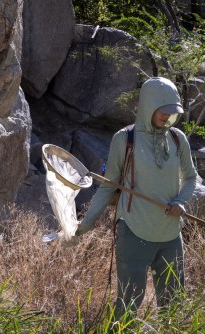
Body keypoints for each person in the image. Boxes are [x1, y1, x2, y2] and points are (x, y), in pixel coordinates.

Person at [75, 77, 197, 320]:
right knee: (128, 306)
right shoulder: (125, 139)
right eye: (162, 109)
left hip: (171, 236)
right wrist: (85, 225)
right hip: (134, 233)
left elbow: (191, 178)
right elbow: (109, 186)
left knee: (174, 305)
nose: (167, 115)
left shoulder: (176, 139)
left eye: (172, 110)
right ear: (148, 105)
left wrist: (181, 201)